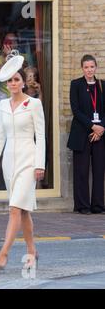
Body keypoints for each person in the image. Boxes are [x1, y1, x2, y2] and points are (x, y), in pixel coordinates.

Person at [0, 54, 45, 270]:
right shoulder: (2, 105)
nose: (13, 84)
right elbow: (0, 136)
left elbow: (41, 135)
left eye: (17, 80)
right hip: (9, 161)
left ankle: (4, 253)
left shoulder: (34, 103)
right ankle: (32, 251)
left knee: (14, 209)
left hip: (29, 160)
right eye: (9, 80)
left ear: (23, 82)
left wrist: (40, 164)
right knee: (23, 210)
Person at [67, 55, 105, 214]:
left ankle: (98, 205)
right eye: (86, 67)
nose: (89, 70)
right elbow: (76, 110)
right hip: (82, 133)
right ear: (82, 68)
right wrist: (92, 127)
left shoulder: (102, 85)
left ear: (96, 67)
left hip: (100, 135)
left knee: (99, 171)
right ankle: (82, 205)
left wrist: (101, 127)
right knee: (81, 171)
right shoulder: (75, 84)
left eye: (92, 67)